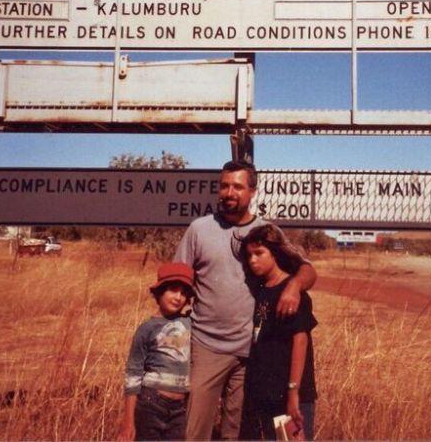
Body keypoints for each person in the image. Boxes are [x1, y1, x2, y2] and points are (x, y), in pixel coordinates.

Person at [174, 160, 317, 440]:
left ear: (252, 191)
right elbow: (177, 279)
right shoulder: (199, 229)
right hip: (207, 346)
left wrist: (294, 288)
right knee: (194, 431)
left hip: (251, 353)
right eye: (224, 186)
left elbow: (307, 269)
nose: (229, 193)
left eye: (237, 187)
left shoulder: (265, 233)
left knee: (237, 432)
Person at [239, 224, 317, 440]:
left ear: (275, 253)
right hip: (265, 393)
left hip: (291, 395)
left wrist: (293, 392)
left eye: (259, 253)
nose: (253, 260)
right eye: (249, 255)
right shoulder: (262, 290)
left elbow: (300, 342)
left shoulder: (292, 294)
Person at [117, 262, 195, 441]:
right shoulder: (147, 328)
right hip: (151, 404)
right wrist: (128, 422)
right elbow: (133, 374)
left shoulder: (190, 323)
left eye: (184, 293)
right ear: (159, 292)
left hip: (179, 409)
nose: (178, 297)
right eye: (173, 290)